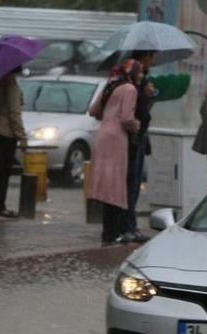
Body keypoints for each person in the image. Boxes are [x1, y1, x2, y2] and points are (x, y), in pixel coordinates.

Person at [87, 60, 142, 245]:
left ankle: (107, 232)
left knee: (106, 186)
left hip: (102, 135)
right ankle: (117, 232)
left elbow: (93, 110)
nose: (141, 76)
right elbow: (127, 118)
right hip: (117, 138)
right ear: (132, 72)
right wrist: (137, 125)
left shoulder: (110, 85)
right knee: (117, 185)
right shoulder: (130, 89)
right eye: (140, 72)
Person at [0, 67, 28, 218]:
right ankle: (0, 207)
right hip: (5, 133)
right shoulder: (10, 84)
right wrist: (22, 137)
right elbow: (14, 113)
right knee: (2, 171)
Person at [126, 50, 157, 243]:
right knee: (131, 184)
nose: (152, 62)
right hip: (134, 140)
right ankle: (129, 225)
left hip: (139, 139)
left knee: (134, 185)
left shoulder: (142, 82)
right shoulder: (131, 86)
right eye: (151, 58)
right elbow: (135, 113)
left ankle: (131, 224)